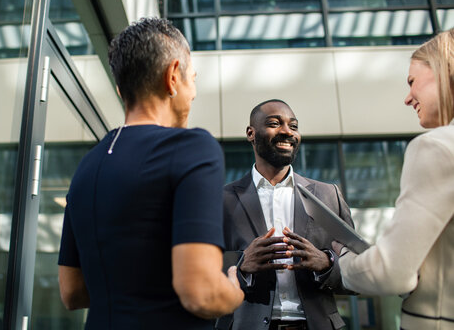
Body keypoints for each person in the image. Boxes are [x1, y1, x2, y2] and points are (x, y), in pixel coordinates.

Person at [57, 17, 243, 330]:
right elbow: (201, 294)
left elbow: (72, 292)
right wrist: (234, 291)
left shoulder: (86, 167)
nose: (194, 93)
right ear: (173, 76)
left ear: (120, 89)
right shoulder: (193, 147)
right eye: (192, 79)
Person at [335, 29, 454, 329]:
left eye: (412, 81)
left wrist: (342, 260)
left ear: (443, 69)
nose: (407, 97)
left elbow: (391, 272)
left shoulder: (435, 147)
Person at [217, 99, 355, 330]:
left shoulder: (328, 195)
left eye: (294, 126)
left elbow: (361, 275)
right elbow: (200, 273)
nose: (287, 132)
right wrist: (241, 266)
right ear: (251, 133)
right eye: (274, 123)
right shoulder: (221, 200)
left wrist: (327, 263)